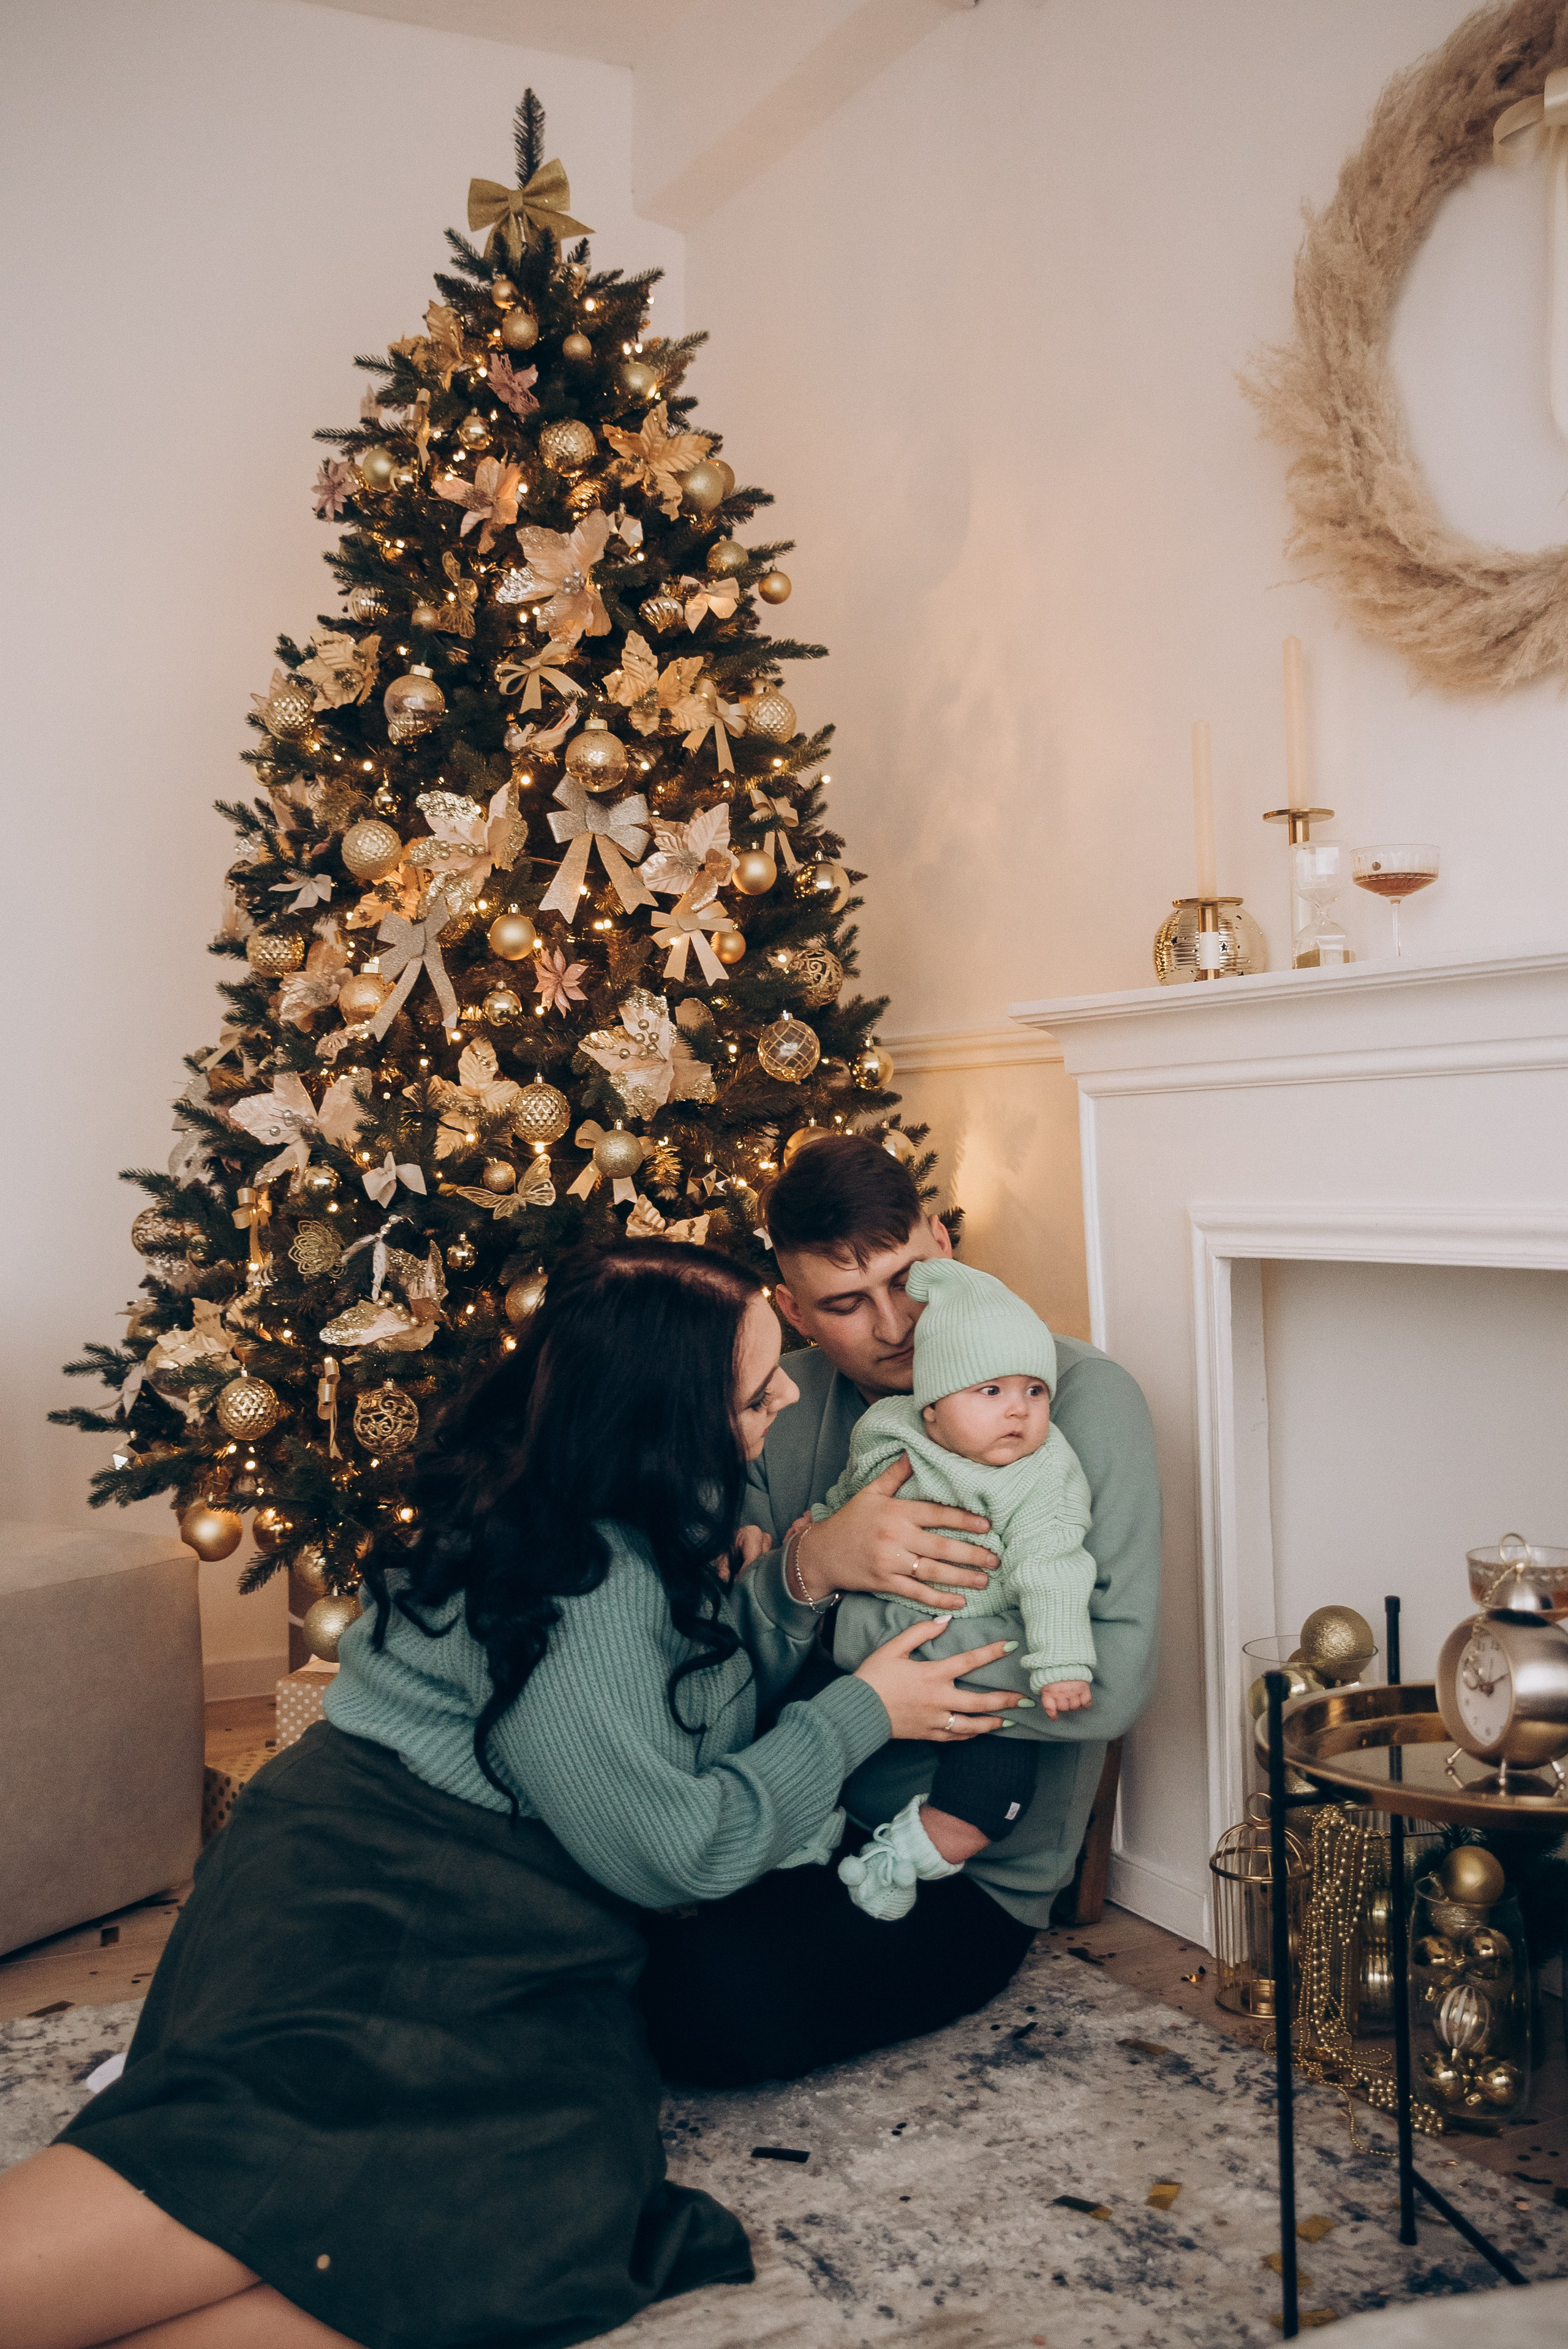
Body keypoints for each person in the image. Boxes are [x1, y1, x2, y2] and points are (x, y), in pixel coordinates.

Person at [0, 1242, 1025, 2349]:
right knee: (281, 2146)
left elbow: (682, 1721)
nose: (784, 1397)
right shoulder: (582, 1572)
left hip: (511, 1920)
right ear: (662, 1416)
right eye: (754, 1390)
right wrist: (864, 1709)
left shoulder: (633, 1504)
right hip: (384, 1906)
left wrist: (785, 1580)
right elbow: (680, 1847)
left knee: (534, 2196)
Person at [720, 1135, 1160, 1986]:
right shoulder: (779, 1401)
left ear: (943, 1244)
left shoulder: (1074, 1398)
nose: (894, 1327)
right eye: (846, 1303)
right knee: (600, 1928)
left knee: (714, 1999)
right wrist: (814, 1561)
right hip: (787, 1800)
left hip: (972, 1860)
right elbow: (726, 1666)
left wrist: (857, 1652)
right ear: (795, 1310)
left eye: (906, 1279)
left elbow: (1112, 1676)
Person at [819, 1255, 1098, 1920]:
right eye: (991, 1391)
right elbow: (854, 1498)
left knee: (989, 1799)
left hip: (970, 1672)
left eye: (1035, 1391)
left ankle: (900, 1860)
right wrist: (821, 1531)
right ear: (934, 1409)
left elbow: (1054, 1564)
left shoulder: (1040, 1473)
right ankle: (807, 1826)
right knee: (804, 1726)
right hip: (872, 1654)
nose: (1018, 1412)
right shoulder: (890, 1432)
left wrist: (1059, 1662)